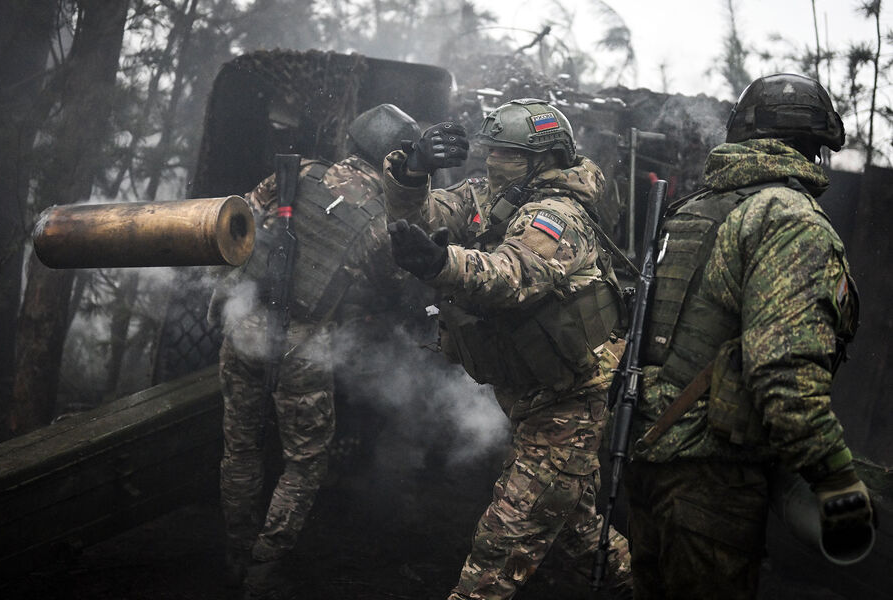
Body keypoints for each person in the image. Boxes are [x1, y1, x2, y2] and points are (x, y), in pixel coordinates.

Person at [623, 73, 872, 599]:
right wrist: (835, 479)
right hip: (713, 480)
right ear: (817, 145)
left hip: (647, 462)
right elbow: (784, 374)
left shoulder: (693, 210)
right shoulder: (789, 219)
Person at [384, 98, 632, 599]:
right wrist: (414, 170)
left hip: (568, 403)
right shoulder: (492, 194)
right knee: (581, 537)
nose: (493, 160)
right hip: (529, 394)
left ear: (543, 159)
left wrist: (442, 265)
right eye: (492, 149)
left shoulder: (558, 215)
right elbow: (424, 213)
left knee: (498, 552)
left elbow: (515, 275)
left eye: (508, 153)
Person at [209, 103, 420, 600]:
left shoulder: (298, 172)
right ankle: (264, 571)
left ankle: (236, 554)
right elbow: (392, 284)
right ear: (396, 159)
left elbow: (239, 218)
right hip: (303, 346)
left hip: (244, 326)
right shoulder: (379, 219)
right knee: (303, 464)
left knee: (239, 448)